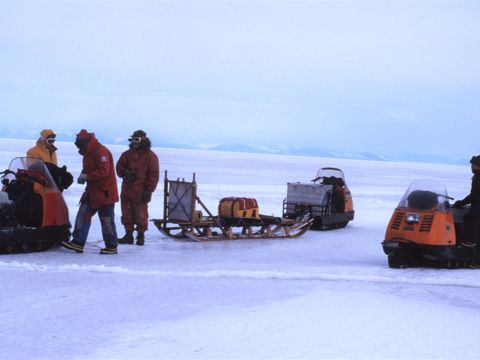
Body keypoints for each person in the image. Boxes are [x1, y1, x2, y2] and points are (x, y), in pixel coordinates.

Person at [62, 129, 119, 255]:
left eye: (79, 145)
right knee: (83, 214)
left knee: (106, 220)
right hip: (92, 192)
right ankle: (78, 242)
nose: (78, 148)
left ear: (85, 142)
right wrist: (83, 175)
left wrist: (87, 176)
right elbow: (88, 168)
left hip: (105, 192)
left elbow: (104, 171)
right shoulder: (88, 153)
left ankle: (111, 246)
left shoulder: (101, 151)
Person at [116, 130, 159, 245]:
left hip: (141, 191)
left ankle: (140, 236)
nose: (134, 142)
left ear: (143, 140)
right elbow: (119, 168)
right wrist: (125, 173)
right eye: (133, 139)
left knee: (141, 214)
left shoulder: (151, 156)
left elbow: (153, 174)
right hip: (127, 190)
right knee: (126, 213)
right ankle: (128, 235)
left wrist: (148, 190)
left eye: (137, 140)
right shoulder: (126, 154)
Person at [453, 155, 480, 254]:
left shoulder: (478, 176)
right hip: (476, 205)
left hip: (477, 207)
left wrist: (460, 203)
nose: (472, 167)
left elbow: (474, 195)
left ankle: (469, 241)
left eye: (474, 165)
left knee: (468, 218)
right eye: (472, 165)